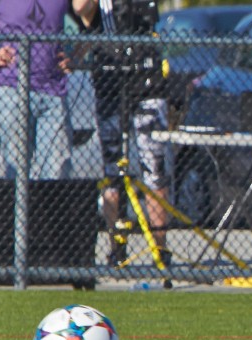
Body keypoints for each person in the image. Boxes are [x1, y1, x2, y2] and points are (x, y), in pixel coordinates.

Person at [71, 0, 175, 270]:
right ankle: (116, 246)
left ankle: (159, 248)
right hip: (110, 86)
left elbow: (148, 20)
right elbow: (81, 9)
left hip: (146, 84)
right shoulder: (97, 11)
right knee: (113, 173)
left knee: (155, 169)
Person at [0, 0, 75, 180]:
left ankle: (46, 208)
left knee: (57, 170)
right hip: (13, 93)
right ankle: (18, 208)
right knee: (17, 170)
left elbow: (90, 20)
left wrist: (75, 56)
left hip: (53, 93)